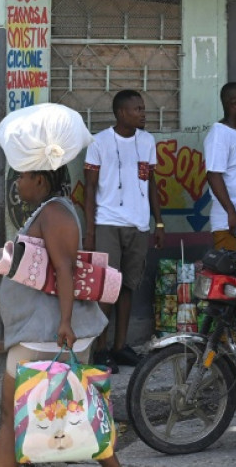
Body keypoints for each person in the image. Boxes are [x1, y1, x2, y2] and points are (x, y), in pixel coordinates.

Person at [0, 167, 120, 467]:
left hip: (47, 332)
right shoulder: (47, 212)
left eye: (21, 176)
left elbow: (65, 269)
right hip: (46, 331)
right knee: (83, 411)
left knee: (11, 414)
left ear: (39, 180)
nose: (17, 183)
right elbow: (28, 266)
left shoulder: (54, 213)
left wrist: (65, 321)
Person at [84, 90, 165, 373]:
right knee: (106, 288)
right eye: (137, 109)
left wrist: (159, 222)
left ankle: (120, 347)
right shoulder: (99, 142)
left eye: (143, 108)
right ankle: (101, 348)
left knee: (129, 286)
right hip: (108, 223)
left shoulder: (147, 141)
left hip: (139, 225)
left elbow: (151, 184)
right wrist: (90, 230)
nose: (143, 113)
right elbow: (90, 188)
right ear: (121, 113)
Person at [205, 82, 236, 250]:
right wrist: (231, 213)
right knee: (230, 274)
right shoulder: (219, 133)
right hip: (229, 223)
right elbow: (213, 175)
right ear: (235, 104)